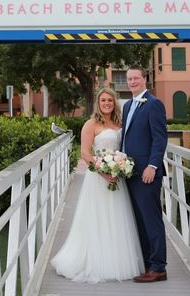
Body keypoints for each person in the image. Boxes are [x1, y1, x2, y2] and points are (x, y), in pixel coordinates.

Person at [50, 87, 144, 282]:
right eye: (103, 101)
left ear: (114, 102)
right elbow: (85, 153)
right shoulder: (90, 124)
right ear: (98, 103)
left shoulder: (120, 123)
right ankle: (95, 260)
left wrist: (120, 167)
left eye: (110, 100)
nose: (107, 103)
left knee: (118, 219)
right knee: (98, 218)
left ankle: (116, 260)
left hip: (117, 178)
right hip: (98, 179)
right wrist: (103, 172)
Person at [121, 65, 168, 283]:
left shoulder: (154, 104)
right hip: (130, 172)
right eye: (129, 79)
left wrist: (153, 165)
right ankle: (148, 264)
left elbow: (160, 139)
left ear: (144, 79)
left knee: (151, 219)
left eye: (136, 78)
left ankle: (159, 267)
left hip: (147, 173)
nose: (132, 82)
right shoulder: (128, 105)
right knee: (139, 220)